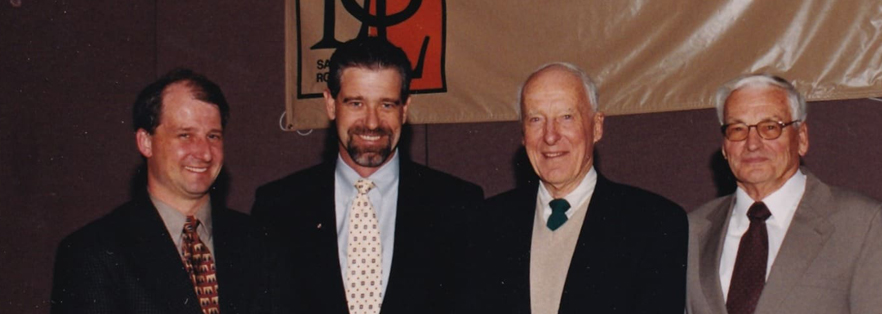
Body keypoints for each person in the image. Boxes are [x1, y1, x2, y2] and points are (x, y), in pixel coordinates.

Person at [252, 37, 483, 314]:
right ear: (330, 104)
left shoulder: (458, 206)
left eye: (386, 105)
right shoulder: (278, 207)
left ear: (405, 109)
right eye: (356, 103)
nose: (372, 122)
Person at [52, 69, 281, 314]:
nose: (204, 152)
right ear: (145, 142)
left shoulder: (257, 241)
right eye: (185, 135)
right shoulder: (94, 253)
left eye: (213, 136)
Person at [467, 63, 688, 314]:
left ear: (596, 127)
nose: (550, 136)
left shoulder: (654, 224)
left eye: (566, 117)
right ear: (522, 133)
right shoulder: (485, 224)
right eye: (536, 119)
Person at [686, 74, 882, 314]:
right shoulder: (693, 231)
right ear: (725, 148)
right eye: (738, 129)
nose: (753, 143)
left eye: (770, 127)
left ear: (801, 139)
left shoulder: (860, 224)